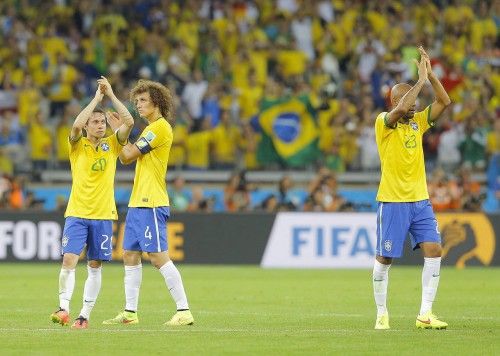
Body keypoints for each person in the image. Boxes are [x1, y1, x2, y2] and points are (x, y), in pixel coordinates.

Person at [103, 79, 194, 326]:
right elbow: (123, 157)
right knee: (130, 255)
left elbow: (129, 154)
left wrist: (122, 129)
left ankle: (184, 310)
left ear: (157, 102)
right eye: (136, 101)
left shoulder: (159, 128)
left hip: (151, 200)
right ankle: (130, 313)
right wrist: (118, 132)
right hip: (137, 202)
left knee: (157, 257)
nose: (138, 105)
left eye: (143, 100)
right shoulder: (148, 129)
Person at [372, 46, 451, 330]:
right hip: (392, 201)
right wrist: (418, 82)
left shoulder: (418, 123)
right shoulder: (384, 123)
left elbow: (444, 101)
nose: (415, 104)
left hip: (420, 201)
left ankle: (425, 314)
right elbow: (403, 107)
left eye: (416, 98)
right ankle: (382, 312)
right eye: (408, 98)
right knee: (385, 258)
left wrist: (429, 76)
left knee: (434, 250)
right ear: (393, 100)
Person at [50, 77, 134, 329]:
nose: (100, 125)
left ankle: (84, 315)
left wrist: (111, 96)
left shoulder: (112, 144)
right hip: (76, 212)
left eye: (102, 121)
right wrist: (97, 99)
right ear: (87, 126)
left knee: (95, 265)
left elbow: (129, 122)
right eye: (95, 122)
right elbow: (75, 125)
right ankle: (63, 308)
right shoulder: (77, 145)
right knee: (69, 260)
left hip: (103, 215)